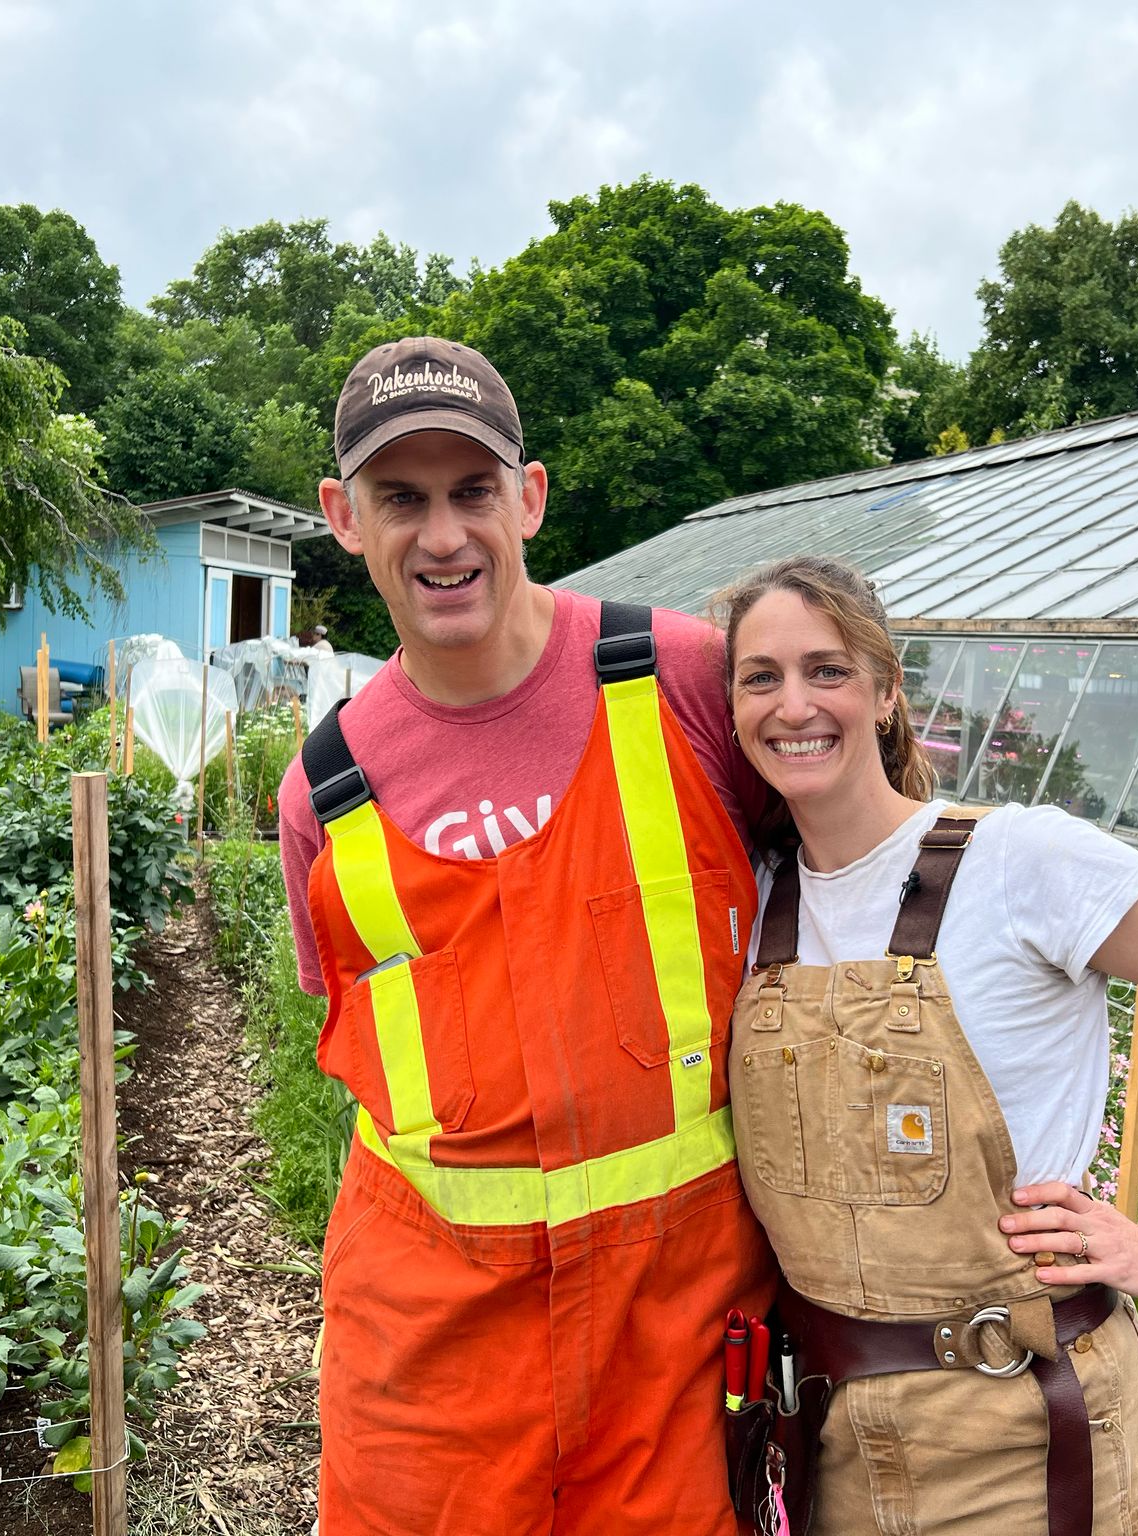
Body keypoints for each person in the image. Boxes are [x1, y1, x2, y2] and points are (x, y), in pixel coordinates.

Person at [712, 555, 1138, 1536]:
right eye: (759, 677)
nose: (793, 703)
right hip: (834, 1433)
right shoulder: (750, 898)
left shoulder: (1019, 861)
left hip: (1027, 1433)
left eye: (828, 670)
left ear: (888, 693)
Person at [276, 336, 775, 1534]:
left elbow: (862, 880)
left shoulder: (682, 680)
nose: (442, 536)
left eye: (472, 492)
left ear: (530, 498)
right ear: (344, 517)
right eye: (402, 498)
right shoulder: (322, 788)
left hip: (678, 1326)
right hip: (431, 1355)